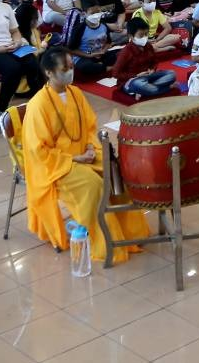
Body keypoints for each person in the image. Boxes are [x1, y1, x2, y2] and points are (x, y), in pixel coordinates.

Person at [21, 46, 150, 264]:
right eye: (64, 69)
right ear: (49, 73)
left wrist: (91, 147)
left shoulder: (76, 93)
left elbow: (90, 127)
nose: (70, 72)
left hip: (85, 153)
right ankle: (106, 244)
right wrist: (73, 159)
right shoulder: (38, 105)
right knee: (94, 186)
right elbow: (38, 150)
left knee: (117, 173)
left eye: (71, 67)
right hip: (58, 165)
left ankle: (131, 235)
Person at [109, 16, 177, 98]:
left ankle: (145, 90)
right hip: (132, 80)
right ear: (131, 36)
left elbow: (154, 61)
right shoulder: (126, 52)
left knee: (171, 74)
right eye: (141, 35)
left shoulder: (148, 46)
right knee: (138, 84)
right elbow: (115, 73)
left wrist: (152, 69)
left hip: (148, 77)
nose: (144, 37)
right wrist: (136, 75)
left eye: (146, 34)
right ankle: (166, 88)